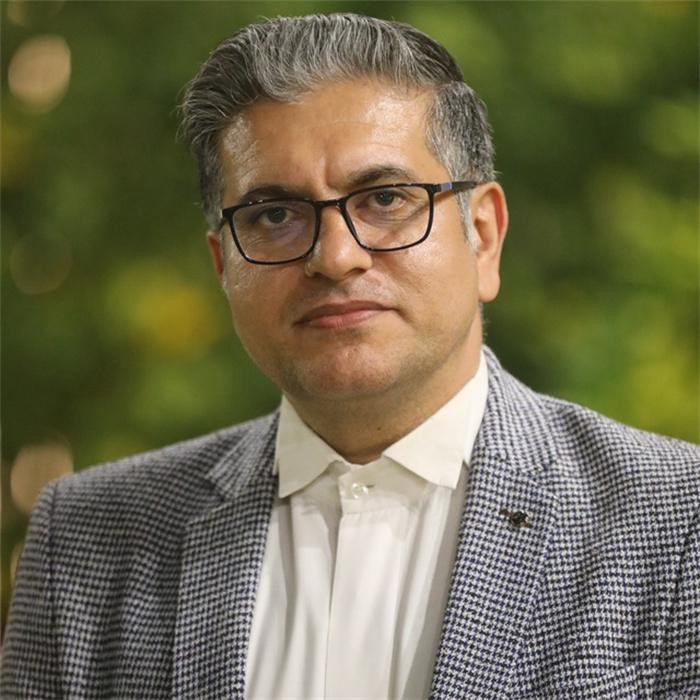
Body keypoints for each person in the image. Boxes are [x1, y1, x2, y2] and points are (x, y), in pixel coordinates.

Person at [2, 13, 698, 700]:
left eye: (386, 198)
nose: (335, 257)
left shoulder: (676, 522)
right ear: (223, 266)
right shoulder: (89, 539)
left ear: (483, 236)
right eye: (275, 215)